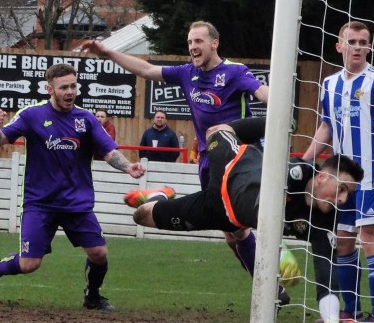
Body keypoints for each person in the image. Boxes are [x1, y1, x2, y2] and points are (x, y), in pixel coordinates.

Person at [125, 116, 364, 323]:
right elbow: (259, 205)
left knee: (143, 215)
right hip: (231, 165)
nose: (343, 199)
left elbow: (326, 273)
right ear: (322, 178)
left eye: (348, 194)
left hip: (222, 212)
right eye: (341, 188)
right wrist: (280, 254)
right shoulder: (296, 174)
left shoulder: (327, 217)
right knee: (215, 132)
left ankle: (160, 197)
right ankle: (274, 121)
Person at [81, 21, 268, 279]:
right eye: (190, 42)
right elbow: (146, 70)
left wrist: (278, 99)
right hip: (208, 163)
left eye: (198, 41)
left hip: (238, 159)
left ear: (215, 43)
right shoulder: (186, 73)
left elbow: (260, 91)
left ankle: (270, 282)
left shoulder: (234, 72)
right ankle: (267, 283)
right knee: (232, 235)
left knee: (240, 226)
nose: (193, 47)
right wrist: (107, 53)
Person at [0, 63, 146, 311]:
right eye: (63, 87)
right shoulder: (32, 115)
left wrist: (128, 166)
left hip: (76, 203)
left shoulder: (86, 120)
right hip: (40, 203)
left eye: (73, 86)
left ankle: (92, 296)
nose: (70, 92)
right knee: (29, 264)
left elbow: (108, 151)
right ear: (49, 89)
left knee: (98, 252)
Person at [302, 20, 374, 323]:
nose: (359, 47)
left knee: (372, 240)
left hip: (373, 175)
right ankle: (350, 310)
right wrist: (304, 161)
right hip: (340, 181)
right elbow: (325, 128)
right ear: (340, 46)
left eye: (364, 42)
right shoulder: (330, 85)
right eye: (353, 41)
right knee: (343, 240)